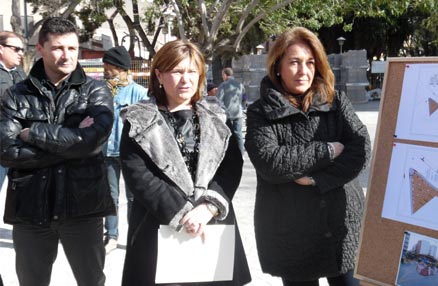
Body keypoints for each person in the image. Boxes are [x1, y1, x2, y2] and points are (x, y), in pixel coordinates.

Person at [244, 27, 371, 286]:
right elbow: (271, 161)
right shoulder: (260, 112)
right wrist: (327, 150)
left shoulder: (336, 102)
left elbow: (360, 150)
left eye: (310, 62)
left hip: (341, 224)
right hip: (291, 232)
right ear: (277, 66)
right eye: (294, 62)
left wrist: (317, 179)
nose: (303, 70)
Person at [120, 39, 251, 286]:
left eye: (192, 71)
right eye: (177, 71)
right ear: (159, 74)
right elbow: (139, 175)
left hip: (211, 224)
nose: (185, 79)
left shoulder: (217, 117)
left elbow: (231, 166)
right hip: (157, 224)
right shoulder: (139, 119)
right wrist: (182, 214)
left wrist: (208, 207)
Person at [0, 17, 115, 286]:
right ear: (40, 49)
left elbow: (93, 142)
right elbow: (6, 152)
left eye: (73, 48)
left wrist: (34, 133)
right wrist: (73, 142)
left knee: (92, 281)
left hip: (83, 207)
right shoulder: (16, 95)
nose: (67, 55)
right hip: (30, 208)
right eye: (58, 48)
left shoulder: (95, 91)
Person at [101, 45, 149, 254]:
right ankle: (111, 236)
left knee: (133, 197)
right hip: (106, 152)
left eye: (107, 65)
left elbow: (146, 124)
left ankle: (134, 237)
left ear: (119, 67)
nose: (104, 68)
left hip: (131, 153)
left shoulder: (139, 92)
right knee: (110, 196)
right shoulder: (101, 90)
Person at [0, 31, 27, 191]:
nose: (20, 53)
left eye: (22, 49)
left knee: (22, 196)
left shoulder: (20, 73)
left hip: (19, 143)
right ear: (1, 49)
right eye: (16, 49)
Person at [217, 67, 246, 153]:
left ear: (225, 75)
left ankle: (229, 154)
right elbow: (244, 98)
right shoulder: (240, 85)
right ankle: (241, 153)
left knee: (227, 135)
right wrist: (242, 107)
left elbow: (219, 100)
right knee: (238, 134)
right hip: (238, 113)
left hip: (227, 115)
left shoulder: (223, 85)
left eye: (223, 75)